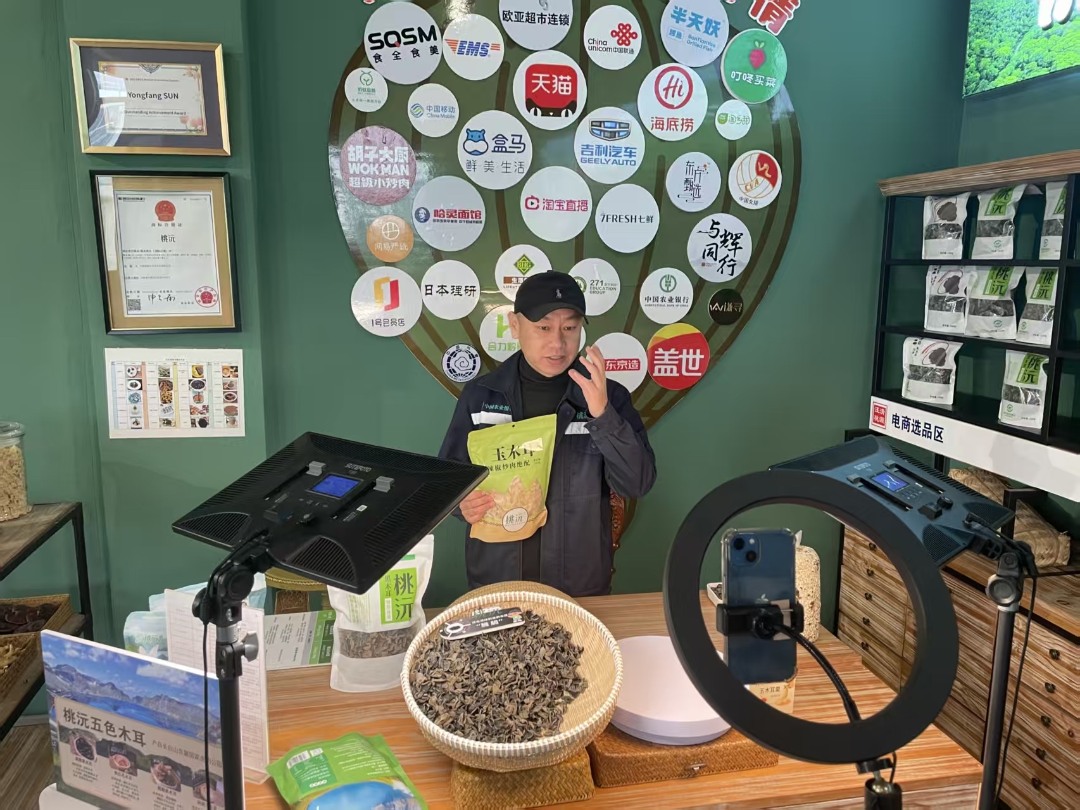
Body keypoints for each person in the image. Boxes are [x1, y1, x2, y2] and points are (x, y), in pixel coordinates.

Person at [438, 271, 656, 596]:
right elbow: (448, 481)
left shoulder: (609, 397)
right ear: (515, 326)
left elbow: (637, 483)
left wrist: (603, 415)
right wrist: (461, 504)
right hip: (498, 582)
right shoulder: (481, 396)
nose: (557, 343)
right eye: (543, 327)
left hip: (579, 587)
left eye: (569, 328)